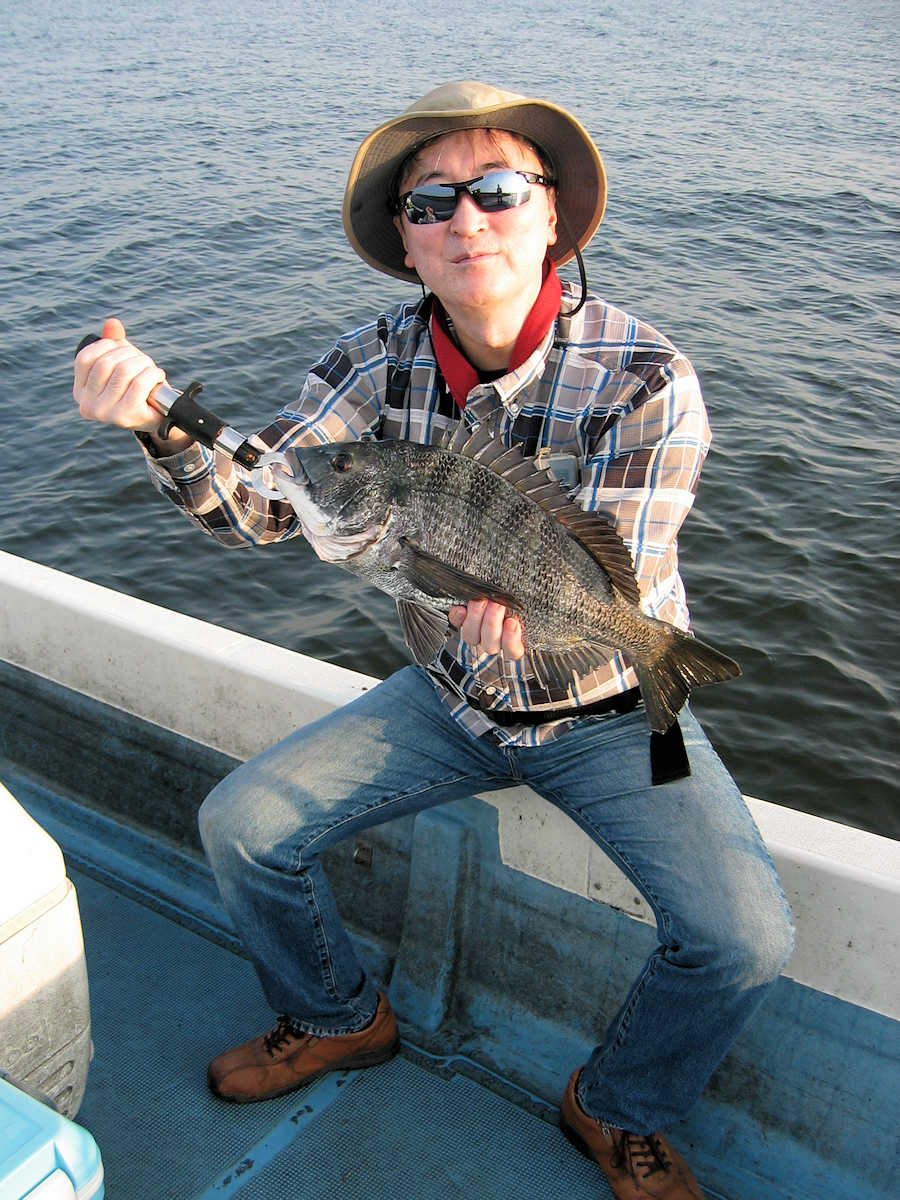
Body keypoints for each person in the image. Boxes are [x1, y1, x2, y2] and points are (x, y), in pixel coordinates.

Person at [73, 81, 794, 1200]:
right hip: (449, 696)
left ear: (552, 216)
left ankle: (616, 1105)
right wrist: (157, 424)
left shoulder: (648, 377)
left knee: (742, 938)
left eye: (498, 190)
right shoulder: (368, 364)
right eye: (431, 203)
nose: (467, 220)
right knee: (242, 827)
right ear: (406, 244)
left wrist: (528, 625)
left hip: (617, 700)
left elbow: (619, 580)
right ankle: (337, 1017)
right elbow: (266, 504)